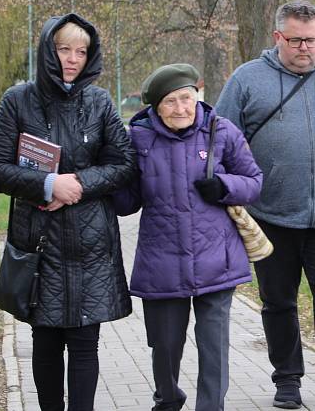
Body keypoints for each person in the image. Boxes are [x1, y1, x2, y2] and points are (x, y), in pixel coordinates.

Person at [216, 0, 315, 411]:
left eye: (313, 40)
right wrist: (230, 194)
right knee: (279, 301)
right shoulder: (247, 80)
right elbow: (217, 141)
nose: (306, 48)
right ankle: (287, 381)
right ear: (278, 38)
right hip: (270, 215)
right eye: (297, 40)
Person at [0, 14, 136, 411]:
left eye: (81, 51)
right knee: (46, 341)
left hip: (91, 243)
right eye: (64, 49)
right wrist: (48, 185)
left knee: (86, 343)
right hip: (39, 243)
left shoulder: (99, 102)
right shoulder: (17, 100)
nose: (72, 59)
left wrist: (77, 185)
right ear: (48, 51)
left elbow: (123, 164)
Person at [112, 63, 263, 411]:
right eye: (171, 102)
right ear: (154, 107)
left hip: (217, 259)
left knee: (214, 346)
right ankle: (167, 397)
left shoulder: (221, 131)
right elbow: (126, 204)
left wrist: (225, 186)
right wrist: (111, 179)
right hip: (161, 260)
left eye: (187, 98)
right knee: (165, 344)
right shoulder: (137, 139)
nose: (181, 108)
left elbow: (254, 181)